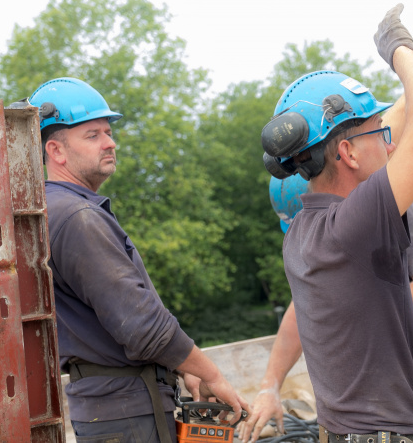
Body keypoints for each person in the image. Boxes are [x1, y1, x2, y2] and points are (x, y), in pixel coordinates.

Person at [257, 3, 413, 443]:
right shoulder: (353, 226)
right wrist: (398, 50)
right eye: (380, 136)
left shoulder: (304, 232)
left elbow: (384, 127)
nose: (390, 146)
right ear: (347, 154)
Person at [28, 77, 249, 442]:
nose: (110, 142)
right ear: (56, 151)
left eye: (108, 132)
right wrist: (211, 374)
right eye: (93, 134)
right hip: (128, 414)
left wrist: (183, 369)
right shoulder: (76, 217)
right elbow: (140, 325)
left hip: (117, 410)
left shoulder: (59, 210)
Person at [238, 172, 413, 442]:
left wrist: (352, 308)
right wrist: (271, 387)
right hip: (387, 358)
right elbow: (304, 309)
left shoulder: (396, 208)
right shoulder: (325, 234)